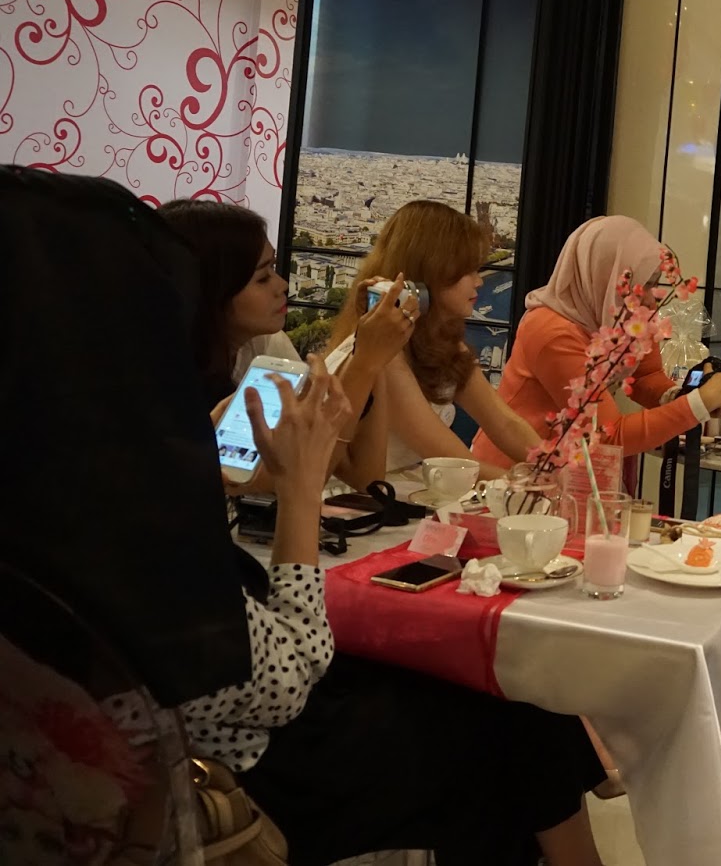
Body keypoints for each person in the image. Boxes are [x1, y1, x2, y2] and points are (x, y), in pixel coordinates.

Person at [1, 170, 609, 865]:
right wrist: (297, 491)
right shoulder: (133, 510)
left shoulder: (52, 479)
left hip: (147, 770)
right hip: (252, 772)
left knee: (489, 722)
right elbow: (288, 679)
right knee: (510, 726)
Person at [160, 199, 415, 491]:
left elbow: (363, 475)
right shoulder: (169, 389)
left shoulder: (263, 344)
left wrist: (370, 350)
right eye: (262, 277)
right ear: (212, 291)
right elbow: (298, 478)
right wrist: (365, 362)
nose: (281, 285)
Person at [472, 215, 721, 470]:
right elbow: (607, 435)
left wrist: (680, 395)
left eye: (654, 284)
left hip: (569, 470)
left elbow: (646, 377)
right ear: (607, 276)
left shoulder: (623, 318)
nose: (652, 299)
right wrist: (699, 403)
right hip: (511, 473)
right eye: (644, 285)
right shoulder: (551, 331)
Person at [328, 200, 542, 482]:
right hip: (359, 501)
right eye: (467, 271)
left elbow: (504, 422)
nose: (479, 281)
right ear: (429, 274)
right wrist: (534, 482)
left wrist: (552, 464)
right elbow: (449, 459)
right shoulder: (385, 351)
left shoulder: (439, 340)